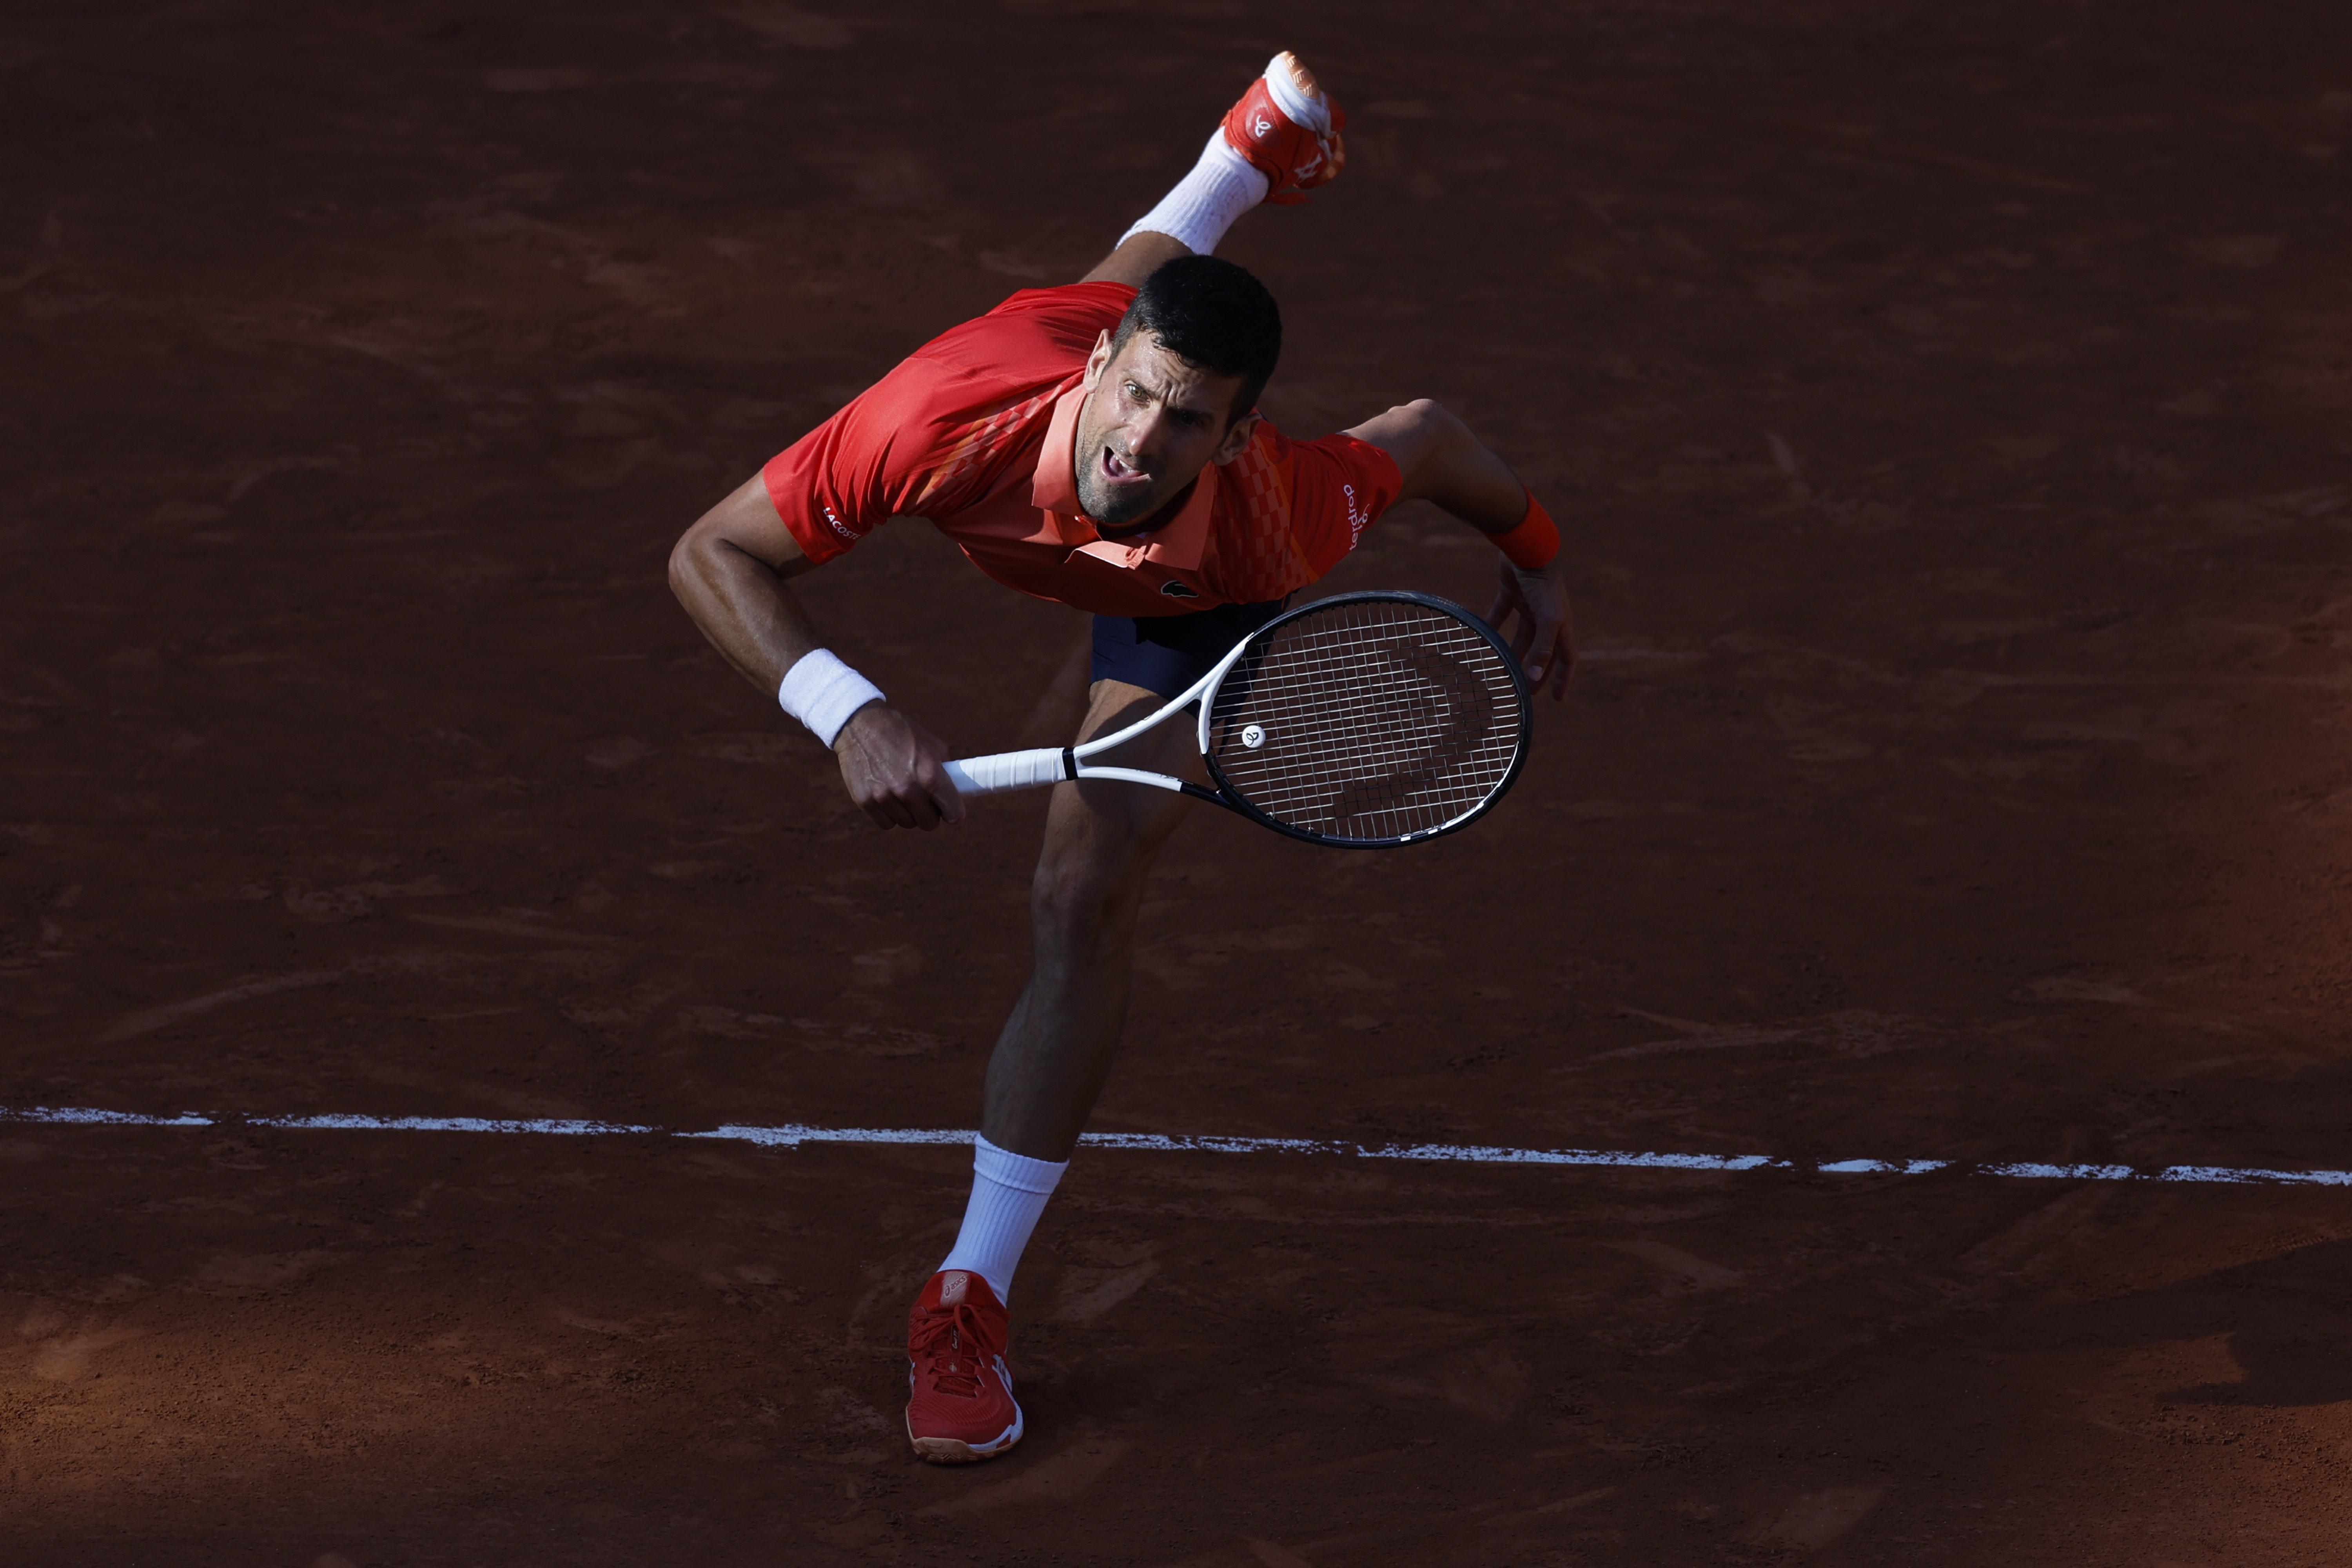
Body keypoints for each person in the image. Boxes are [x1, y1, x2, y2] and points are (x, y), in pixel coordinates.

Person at [668, 51, 1574, 1464]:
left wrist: (1545, 564)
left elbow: (1431, 438)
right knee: (1121, 280)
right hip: (1025, 374)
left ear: (1234, 435)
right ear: (1104, 375)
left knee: (1079, 901)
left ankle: (966, 1298)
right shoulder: (935, 416)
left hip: (1190, 609)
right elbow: (708, 549)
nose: (1144, 447)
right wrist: (849, 708)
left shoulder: (1267, 514)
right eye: (1140, 397)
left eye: (1190, 423)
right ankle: (1244, 158)